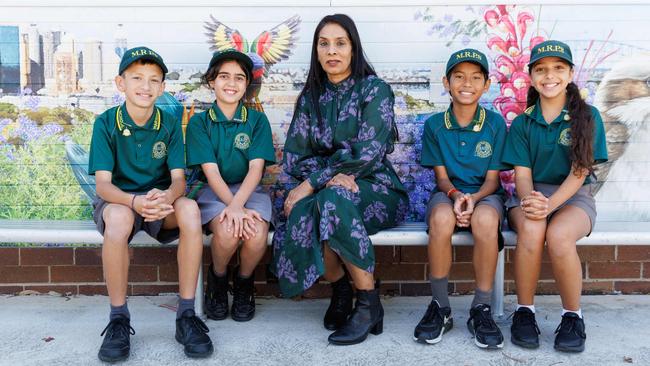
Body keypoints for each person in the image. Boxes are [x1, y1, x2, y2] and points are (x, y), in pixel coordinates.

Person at [271, 13, 409, 346]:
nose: (332, 51)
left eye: (340, 43)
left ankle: (367, 303)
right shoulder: (311, 97)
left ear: (353, 48)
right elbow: (294, 157)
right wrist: (330, 177)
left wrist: (315, 181)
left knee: (330, 200)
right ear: (317, 51)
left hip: (378, 191)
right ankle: (342, 289)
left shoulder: (374, 90)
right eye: (324, 44)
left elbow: (368, 152)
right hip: (332, 191)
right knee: (318, 204)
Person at [89, 47, 212, 361]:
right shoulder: (106, 123)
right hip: (120, 201)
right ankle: (118, 318)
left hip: (158, 203)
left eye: (153, 80)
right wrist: (134, 201)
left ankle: (186, 315)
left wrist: (167, 197)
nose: (145, 86)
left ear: (162, 88)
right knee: (118, 219)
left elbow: (179, 180)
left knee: (190, 209)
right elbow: (103, 185)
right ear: (121, 83)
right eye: (137, 78)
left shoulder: (169, 123)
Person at [502, 40, 608, 352]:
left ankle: (572, 317)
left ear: (571, 73)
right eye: (541, 69)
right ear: (532, 77)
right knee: (533, 228)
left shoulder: (588, 116)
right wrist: (531, 202)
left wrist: (551, 205)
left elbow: (579, 172)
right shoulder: (523, 122)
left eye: (558, 68)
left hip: (574, 197)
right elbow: (522, 175)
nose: (550, 75)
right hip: (531, 195)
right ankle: (524, 312)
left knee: (559, 235)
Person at [415, 48, 508, 349]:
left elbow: (493, 181)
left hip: (485, 195)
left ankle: (480, 308)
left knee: (484, 220)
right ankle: (440, 308)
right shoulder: (434, 125)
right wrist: (456, 196)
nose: (466, 83)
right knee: (441, 218)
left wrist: (472, 199)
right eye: (459, 77)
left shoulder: (495, 124)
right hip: (448, 194)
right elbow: (441, 179)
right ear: (446, 83)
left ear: (486, 84)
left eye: (475, 77)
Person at [185, 49, 276, 322]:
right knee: (226, 233)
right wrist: (233, 207)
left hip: (250, 190)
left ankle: (244, 283)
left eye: (239, 77)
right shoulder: (200, 122)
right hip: (214, 190)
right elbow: (210, 172)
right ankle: (219, 279)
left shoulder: (257, 120)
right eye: (224, 76)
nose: (231, 83)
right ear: (212, 81)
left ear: (247, 84)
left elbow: (256, 169)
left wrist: (240, 205)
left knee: (256, 233)